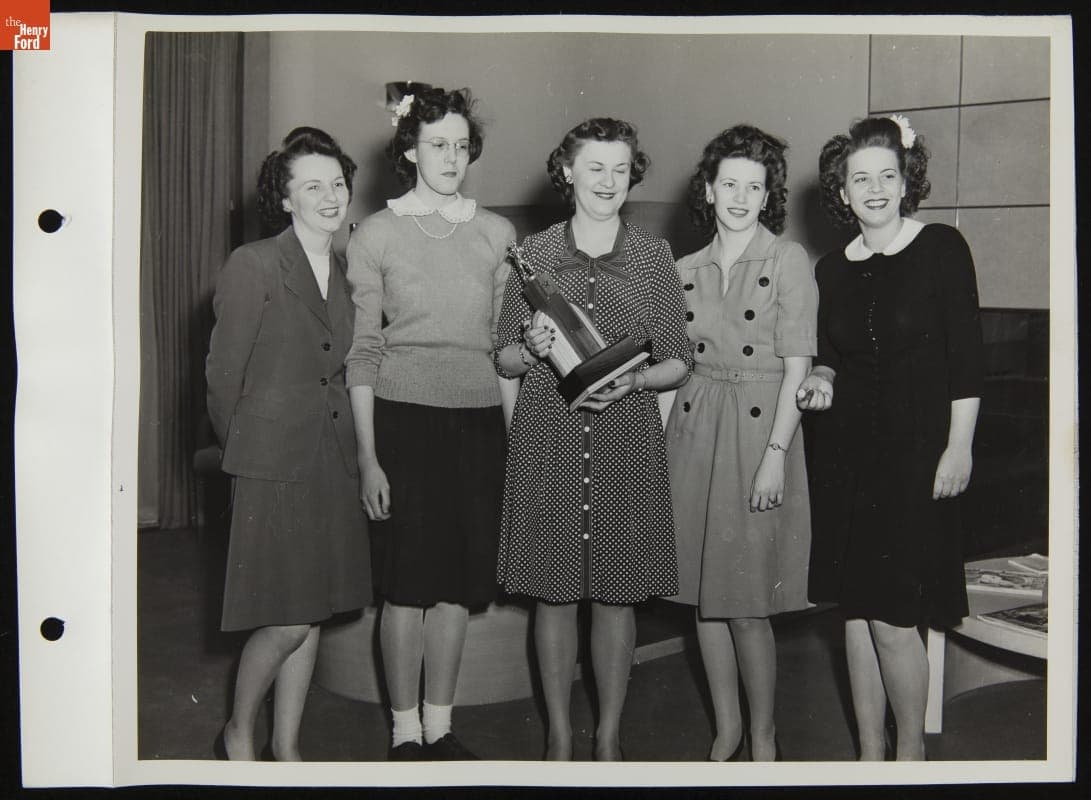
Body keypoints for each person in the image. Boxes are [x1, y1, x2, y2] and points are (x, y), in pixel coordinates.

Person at [494, 118, 692, 761]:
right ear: (568, 172)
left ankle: (608, 735)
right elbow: (502, 358)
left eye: (619, 168)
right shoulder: (534, 254)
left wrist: (635, 383)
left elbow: (679, 359)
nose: (607, 180)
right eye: (594, 167)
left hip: (626, 438)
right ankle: (557, 733)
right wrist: (529, 347)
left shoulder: (653, 256)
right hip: (548, 437)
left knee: (615, 597)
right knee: (553, 596)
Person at [798, 115, 984, 761]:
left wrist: (957, 447)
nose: (873, 188)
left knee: (894, 619)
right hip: (843, 457)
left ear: (906, 182)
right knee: (853, 612)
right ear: (841, 192)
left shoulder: (939, 246)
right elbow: (828, 354)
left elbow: (965, 358)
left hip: (915, 456)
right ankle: (868, 759)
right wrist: (819, 376)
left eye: (886, 175)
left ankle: (908, 756)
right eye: (859, 178)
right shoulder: (829, 268)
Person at [345, 87, 517, 761]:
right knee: (407, 589)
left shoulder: (498, 234)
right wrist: (368, 458)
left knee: (456, 589)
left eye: (460, 145)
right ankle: (404, 731)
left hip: (477, 427)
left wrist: (513, 446)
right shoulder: (376, 233)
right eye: (436, 144)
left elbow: (505, 355)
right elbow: (363, 351)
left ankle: (440, 728)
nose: (450, 157)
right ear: (409, 150)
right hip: (401, 425)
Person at [206, 127, 371, 761]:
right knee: (286, 617)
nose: (330, 197)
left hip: (334, 459)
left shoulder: (351, 268)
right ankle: (239, 733)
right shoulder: (254, 263)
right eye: (312, 186)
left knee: (315, 613)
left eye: (337, 183)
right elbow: (223, 378)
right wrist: (250, 453)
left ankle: (288, 747)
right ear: (285, 198)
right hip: (273, 464)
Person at [662, 125, 817, 762]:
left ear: (767, 195)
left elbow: (799, 368)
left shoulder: (787, 259)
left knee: (748, 603)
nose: (741, 196)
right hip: (695, 430)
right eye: (730, 183)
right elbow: (672, 368)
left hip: (758, 433)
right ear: (709, 188)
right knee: (703, 600)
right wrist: (657, 453)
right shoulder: (683, 267)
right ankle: (726, 727)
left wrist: (776, 456)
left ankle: (763, 732)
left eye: (755, 186)